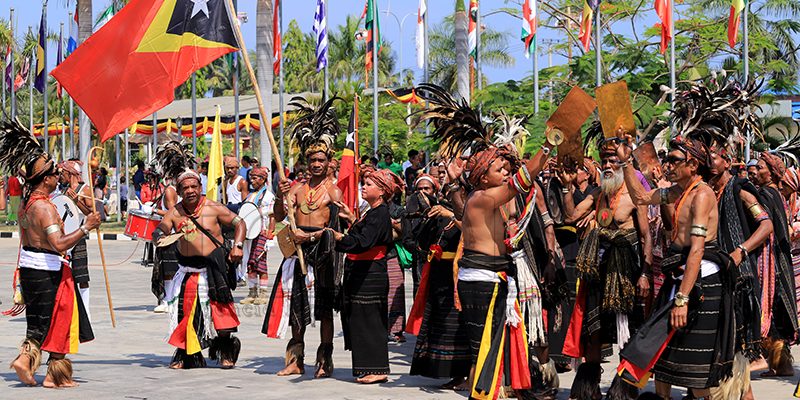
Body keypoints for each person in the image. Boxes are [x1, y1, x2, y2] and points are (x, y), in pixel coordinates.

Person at [416, 83, 548, 399]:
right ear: (481, 176)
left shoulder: (487, 200)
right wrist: (548, 147)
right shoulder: (483, 198)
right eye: (498, 169)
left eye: (505, 169)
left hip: (486, 276)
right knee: (486, 344)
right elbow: (523, 180)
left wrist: (510, 156)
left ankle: (493, 391)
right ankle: (485, 394)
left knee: (490, 343)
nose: (505, 173)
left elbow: (519, 191)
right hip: (483, 279)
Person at [617, 134, 734, 400]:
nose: (667, 165)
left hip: (699, 282)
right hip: (678, 276)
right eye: (667, 159)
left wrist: (682, 299)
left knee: (695, 368)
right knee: (662, 358)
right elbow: (641, 197)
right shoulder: (678, 191)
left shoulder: (702, 195)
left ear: (693, 165)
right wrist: (626, 163)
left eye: (674, 160)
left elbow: (697, 249)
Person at [0, 120, 101, 388]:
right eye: (55, 173)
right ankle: (27, 361)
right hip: (48, 270)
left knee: (46, 320)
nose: (59, 176)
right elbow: (58, 243)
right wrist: (86, 227)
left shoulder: (26, 202)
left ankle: (55, 374)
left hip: (34, 269)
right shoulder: (43, 207)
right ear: (46, 179)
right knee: (56, 320)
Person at [561, 136, 652, 399]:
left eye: (613, 160)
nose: (608, 165)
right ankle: (587, 390)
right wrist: (568, 188)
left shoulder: (635, 196)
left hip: (625, 271)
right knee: (593, 331)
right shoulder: (598, 193)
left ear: (624, 162)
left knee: (626, 330)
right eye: (604, 161)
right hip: (598, 270)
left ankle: (623, 391)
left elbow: (646, 237)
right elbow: (572, 216)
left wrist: (645, 273)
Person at [263, 97, 345, 379]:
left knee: (324, 311)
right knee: (296, 306)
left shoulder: (334, 192)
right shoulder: (295, 189)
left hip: (323, 252)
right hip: (296, 250)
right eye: (312, 160)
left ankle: (325, 360)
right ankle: (295, 360)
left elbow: (338, 229)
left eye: (321, 160)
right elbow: (279, 216)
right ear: (306, 162)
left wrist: (310, 238)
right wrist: (278, 193)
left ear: (329, 161)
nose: (316, 164)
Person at [153, 168, 245, 369]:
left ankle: (226, 350)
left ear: (200, 187)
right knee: (186, 314)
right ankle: (188, 354)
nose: (190, 191)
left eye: (194, 186)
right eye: (185, 188)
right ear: (178, 190)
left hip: (214, 267)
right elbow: (162, 227)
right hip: (188, 269)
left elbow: (240, 223)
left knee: (220, 314)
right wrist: (158, 235)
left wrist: (237, 246)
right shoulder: (175, 212)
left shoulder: (214, 207)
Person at [709, 140, 773, 400]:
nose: (710, 162)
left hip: (738, 279)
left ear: (727, 162)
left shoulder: (739, 189)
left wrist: (741, 251)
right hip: (710, 274)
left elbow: (766, 225)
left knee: (734, 346)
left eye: (715, 157)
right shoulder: (702, 190)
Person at [329, 169, 401, 384]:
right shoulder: (373, 212)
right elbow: (365, 234)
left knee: (370, 321)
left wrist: (339, 238)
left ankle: (377, 369)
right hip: (362, 272)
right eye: (364, 183)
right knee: (361, 319)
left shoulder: (379, 214)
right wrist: (352, 219)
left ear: (381, 192)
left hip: (370, 273)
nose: (364, 186)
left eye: (369, 184)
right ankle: (368, 367)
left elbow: (363, 242)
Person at [405, 172, 471, 390]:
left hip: (460, 274)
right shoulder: (439, 211)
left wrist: (451, 216)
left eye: (457, 191)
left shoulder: (475, 206)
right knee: (442, 324)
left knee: (459, 326)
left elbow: (472, 232)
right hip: (439, 274)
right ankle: (452, 373)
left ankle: (466, 375)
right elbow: (417, 240)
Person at [752, 152, 799, 377]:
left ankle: (772, 361)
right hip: (779, 259)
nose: (756, 171)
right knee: (778, 311)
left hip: (770, 260)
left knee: (769, 310)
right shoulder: (777, 195)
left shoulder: (765, 194)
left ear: (771, 173)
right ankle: (780, 365)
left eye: (761, 168)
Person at [151, 142, 189, 314]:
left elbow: (172, 213)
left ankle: (169, 301)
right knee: (173, 268)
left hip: (171, 234)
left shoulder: (170, 190)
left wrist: (153, 210)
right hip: (181, 232)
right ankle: (171, 299)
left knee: (168, 269)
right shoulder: (183, 188)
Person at [57, 160, 95, 321]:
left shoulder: (84, 189)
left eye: (62, 174)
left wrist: (77, 201)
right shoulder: (62, 190)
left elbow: (92, 213)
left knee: (81, 276)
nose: (60, 177)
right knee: (61, 274)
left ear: (70, 173)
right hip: (64, 237)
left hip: (78, 236)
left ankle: (85, 311)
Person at [239, 166, 275, 305]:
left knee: (260, 263)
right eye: (251, 178)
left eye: (255, 178)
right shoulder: (251, 195)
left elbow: (272, 216)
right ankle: (252, 292)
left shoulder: (268, 196)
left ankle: (263, 294)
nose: (251, 181)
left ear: (263, 179)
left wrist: (270, 235)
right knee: (250, 263)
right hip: (249, 234)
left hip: (262, 233)